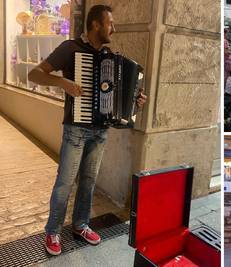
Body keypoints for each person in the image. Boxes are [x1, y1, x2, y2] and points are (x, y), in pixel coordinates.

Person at [27, 5, 147, 256]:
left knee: (89, 182)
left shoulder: (107, 55)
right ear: (95, 25)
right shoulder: (70, 49)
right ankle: (53, 230)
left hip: (100, 130)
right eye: (110, 23)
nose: (113, 28)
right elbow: (35, 74)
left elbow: (114, 96)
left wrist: (134, 101)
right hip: (76, 130)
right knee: (65, 182)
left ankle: (81, 224)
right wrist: (64, 83)